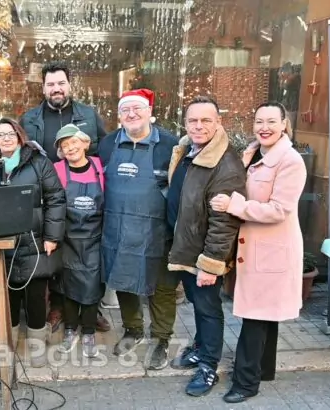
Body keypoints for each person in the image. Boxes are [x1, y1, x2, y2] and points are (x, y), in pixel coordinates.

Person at [210, 102, 307, 404]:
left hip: (272, 252)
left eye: (271, 121)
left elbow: (279, 209)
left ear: (284, 125)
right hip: (255, 249)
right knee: (266, 315)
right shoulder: (252, 154)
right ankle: (264, 370)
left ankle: (245, 382)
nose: (264, 127)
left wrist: (234, 206)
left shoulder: (290, 161)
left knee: (255, 317)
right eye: (259, 121)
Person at [19, 61, 110, 333]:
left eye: (60, 83)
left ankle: (90, 308)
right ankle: (57, 306)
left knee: (88, 256)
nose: (56, 88)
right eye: (50, 84)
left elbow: (103, 151)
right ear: (43, 88)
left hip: (84, 195)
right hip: (46, 195)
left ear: (69, 85)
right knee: (55, 251)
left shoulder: (89, 115)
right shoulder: (29, 119)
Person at [166, 96, 246, 396]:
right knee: (198, 305)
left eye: (205, 120)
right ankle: (201, 348)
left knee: (209, 309)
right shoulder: (188, 150)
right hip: (187, 249)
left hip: (204, 255)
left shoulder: (225, 164)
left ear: (218, 123)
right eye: (193, 120)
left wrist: (210, 265)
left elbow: (224, 223)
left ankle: (209, 366)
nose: (198, 126)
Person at [97, 88, 180, 371]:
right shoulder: (107, 144)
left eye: (137, 109)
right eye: (125, 110)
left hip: (158, 231)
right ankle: (133, 329)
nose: (131, 114)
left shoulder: (170, 145)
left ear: (149, 112)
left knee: (162, 288)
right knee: (123, 280)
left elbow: (180, 188)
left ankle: (161, 338)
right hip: (118, 229)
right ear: (119, 116)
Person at [0, 117, 66, 367]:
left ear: (20, 137)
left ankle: (37, 349)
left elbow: (56, 198)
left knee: (35, 297)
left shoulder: (39, 162)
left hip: (34, 240)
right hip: (2, 243)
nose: (6, 138)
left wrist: (52, 236)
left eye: (11, 134)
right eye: (1, 135)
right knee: (7, 298)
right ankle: (8, 346)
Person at [52, 124, 104, 358]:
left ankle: (89, 332)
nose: (70, 148)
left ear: (85, 143)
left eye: (74, 142)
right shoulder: (57, 170)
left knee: (92, 286)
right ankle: (70, 329)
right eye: (65, 145)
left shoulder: (100, 166)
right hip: (68, 239)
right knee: (69, 285)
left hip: (95, 238)